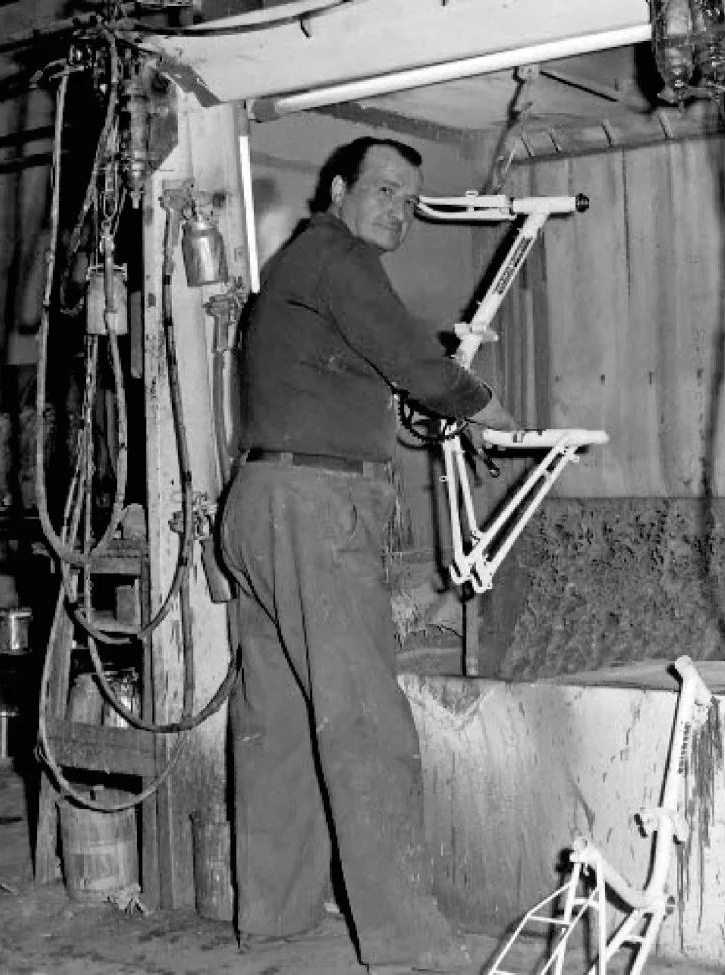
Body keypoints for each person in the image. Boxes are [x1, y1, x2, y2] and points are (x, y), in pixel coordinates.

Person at [219, 136, 515, 974]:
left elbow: (372, 360)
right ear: (338, 188)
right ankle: (407, 940)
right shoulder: (339, 257)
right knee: (364, 720)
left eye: (410, 201)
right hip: (316, 509)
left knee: (278, 722)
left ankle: (273, 918)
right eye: (384, 190)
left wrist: (443, 400)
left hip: (262, 501)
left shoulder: (298, 265)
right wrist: (488, 410)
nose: (399, 210)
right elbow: (410, 354)